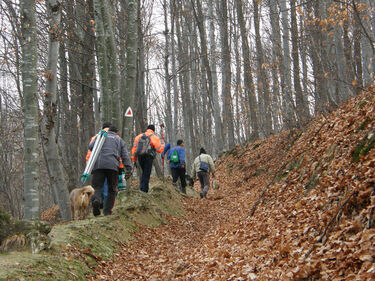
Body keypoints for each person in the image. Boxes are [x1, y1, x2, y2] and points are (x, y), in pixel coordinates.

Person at [89, 125, 132, 216]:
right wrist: (128, 167)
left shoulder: (100, 137)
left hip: (98, 166)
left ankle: (96, 200)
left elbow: (91, 147)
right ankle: (107, 211)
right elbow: (125, 155)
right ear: (116, 132)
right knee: (112, 189)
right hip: (113, 167)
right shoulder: (119, 140)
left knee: (96, 187)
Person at [131, 124, 164, 193]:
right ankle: (144, 190)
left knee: (143, 173)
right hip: (148, 157)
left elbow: (134, 148)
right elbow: (159, 150)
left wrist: (133, 158)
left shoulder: (139, 136)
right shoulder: (154, 137)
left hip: (140, 156)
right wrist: (163, 145)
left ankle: (142, 187)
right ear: (153, 130)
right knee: (146, 173)